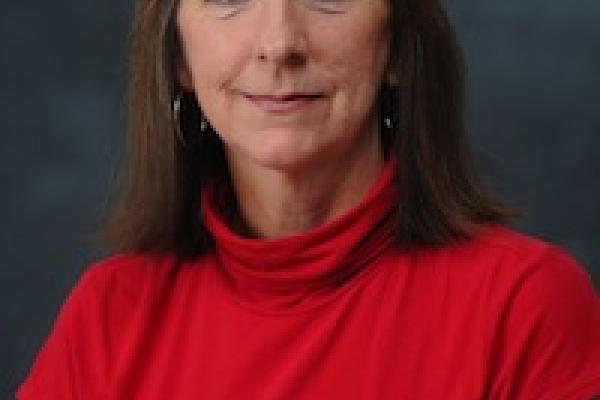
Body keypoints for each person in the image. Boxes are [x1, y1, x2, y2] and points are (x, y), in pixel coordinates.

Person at [16, 0, 600, 398]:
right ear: (178, 58)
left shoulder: (524, 307)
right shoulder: (110, 315)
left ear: (397, 46)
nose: (278, 45)